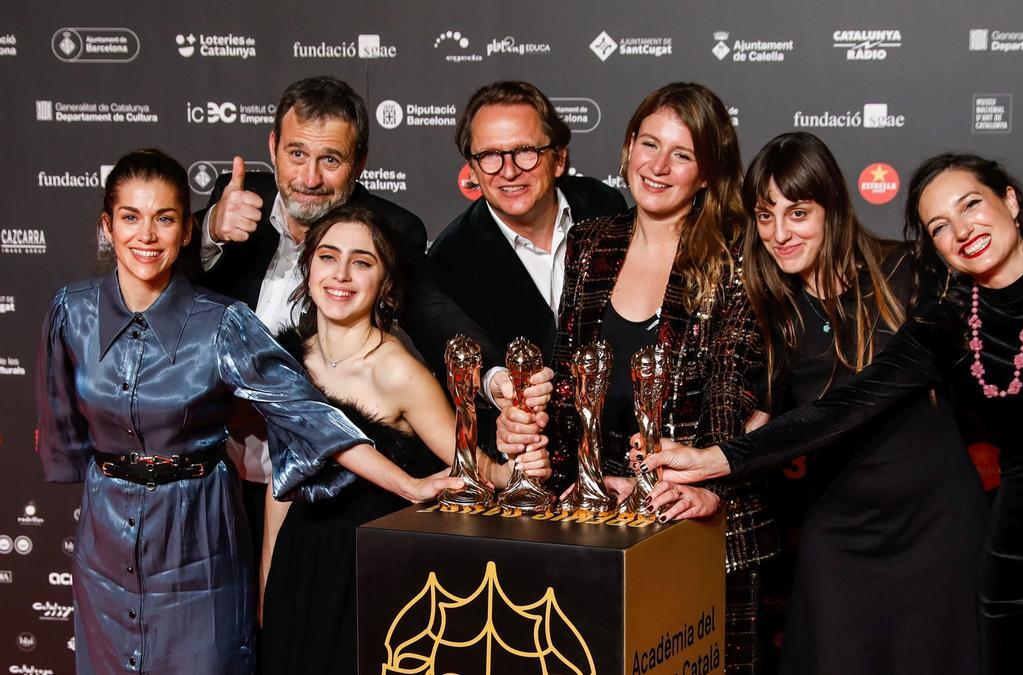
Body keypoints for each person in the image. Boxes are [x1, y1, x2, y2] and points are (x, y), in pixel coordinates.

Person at [642, 153, 1023, 675]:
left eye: (971, 205)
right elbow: (842, 407)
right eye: (939, 226)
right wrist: (715, 458)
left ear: (1011, 201)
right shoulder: (947, 324)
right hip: (1018, 562)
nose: (962, 230)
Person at [35, 149, 460, 675]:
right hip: (103, 543)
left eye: (165, 218)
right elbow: (62, 434)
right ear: (108, 225)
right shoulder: (69, 312)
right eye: (130, 217)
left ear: (187, 230)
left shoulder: (225, 324)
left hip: (199, 539)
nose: (146, 236)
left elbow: (309, 417)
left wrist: (409, 485)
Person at [498, 82, 777, 674]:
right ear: (626, 149)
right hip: (596, 532)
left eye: (682, 154)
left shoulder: (736, 256)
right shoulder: (592, 244)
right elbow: (574, 386)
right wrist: (548, 444)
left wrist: (665, 489)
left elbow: (737, 405)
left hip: (699, 535)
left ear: (705, 173)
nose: (658, 165)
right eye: (649, 144)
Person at [188, 75, 490, 600]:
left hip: (328, 498)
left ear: (361, 161)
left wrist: (489, 376)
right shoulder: (236, 203)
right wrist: (210, 228)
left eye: (331, 159)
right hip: (222, 476)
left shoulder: (392, 228)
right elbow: (153, 248)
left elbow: (433, 313)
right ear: (272, 149)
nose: (309, 177)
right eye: (296, 153)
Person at [261, 204, 550, 675]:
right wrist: (269, 577)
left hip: (370, 571)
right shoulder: (289, 360)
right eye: (329, 257)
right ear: (308, 267)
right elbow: (283, 480)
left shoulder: (398, 371)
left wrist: (517, 466)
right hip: (302, 566)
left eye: (362, 262)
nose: (342, 275)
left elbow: (472, 466)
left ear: (385, 283)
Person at [737, 133, 984, 674]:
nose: (779, 234)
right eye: (764, 216)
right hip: (840, 532)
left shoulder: (908, 272)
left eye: (797, 212)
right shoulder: (773, 310)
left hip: (937, 525)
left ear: (832, 207)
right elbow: (766, 417)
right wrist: (707, 462)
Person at [423, 80, 626, 448]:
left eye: (525, 151)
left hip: (623, 440)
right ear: (472, 167)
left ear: (559, 158)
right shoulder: (451, 257)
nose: (509, 171)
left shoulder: (604, 206)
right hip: (532, 453)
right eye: (490, 156)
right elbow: (462, 350)